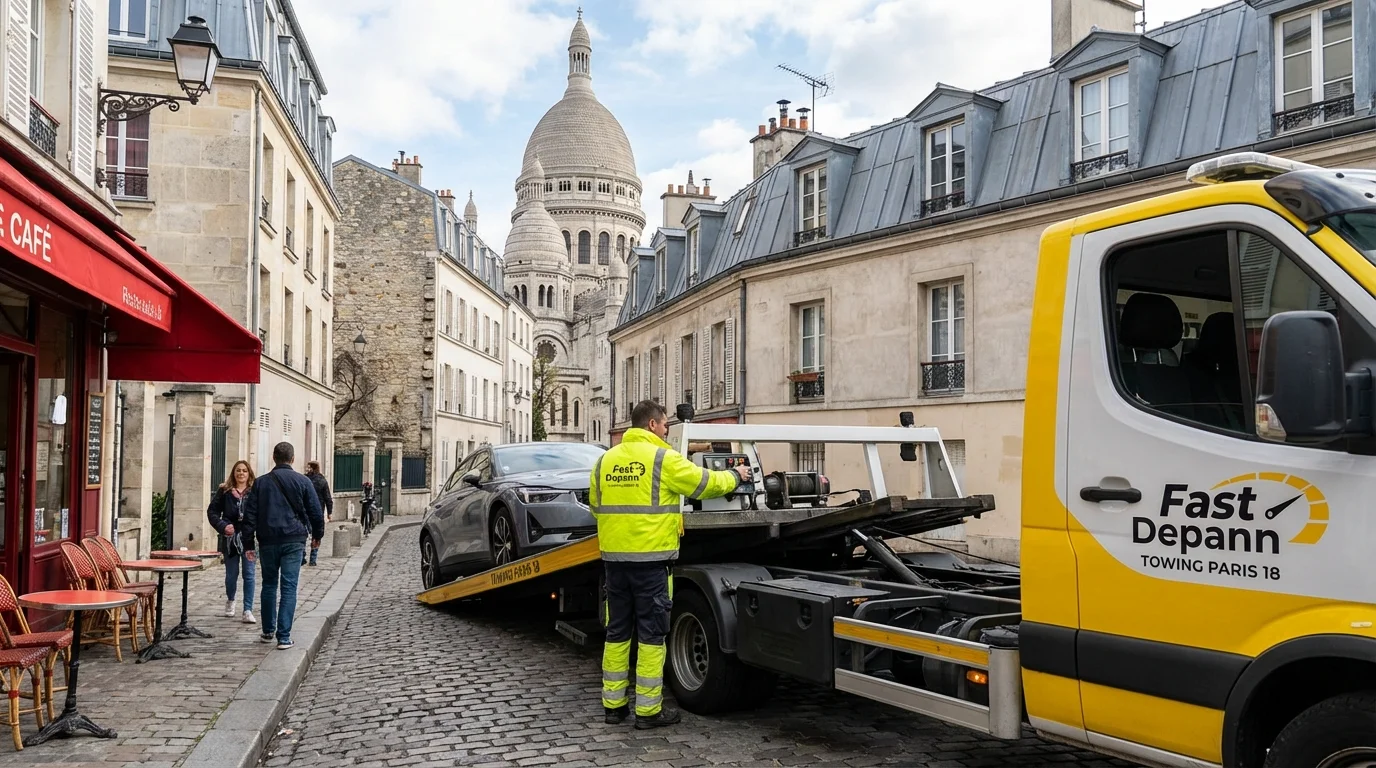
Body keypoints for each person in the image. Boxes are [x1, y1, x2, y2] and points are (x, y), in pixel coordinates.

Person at [589, 400, 749, 729]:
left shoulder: (605, 460)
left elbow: (595, 505)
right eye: (664, 425)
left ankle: (613, 707)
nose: (666, 431)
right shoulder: (663, 458)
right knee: (651, 635)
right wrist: (736, 475)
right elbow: (704, 484)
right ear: (652, 424)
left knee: (617, 633)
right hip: (651, 564)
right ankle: (648, 711)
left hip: (614, 564)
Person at [241, 442, 324, 650]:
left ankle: (268, 630)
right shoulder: (303, 481)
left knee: (269, 584)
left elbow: (250, 515)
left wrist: (248, 543)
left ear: (273, 458)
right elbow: (315, 511)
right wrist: (317, 536)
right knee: (289, 586)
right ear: (292, 459)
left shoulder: (260, 483)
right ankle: (284, 636)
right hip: (294, 539)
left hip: (267, 539)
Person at [206, 460, 256, 624]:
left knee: (249, 574)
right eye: (238, 470)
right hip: (230, 539)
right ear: (234, 473)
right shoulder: (225, 491)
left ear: (249, 473)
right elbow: (212, 512)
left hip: (248, 539)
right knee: (231, 575)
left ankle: (247, 609)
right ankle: (231, 599)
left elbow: (261, 512)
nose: (241, 473)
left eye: (244, 470)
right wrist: (223, 526)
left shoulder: (255, 491)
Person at [303, 460, 334, 566]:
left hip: (306, 511)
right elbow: (328, 498)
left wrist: (329, 511)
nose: (307, 469)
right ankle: (313, 558)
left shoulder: (304, 479)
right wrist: (329, 512)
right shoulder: (322, 480)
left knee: (304, 533)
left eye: (308, 467)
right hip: (317, 511)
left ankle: (303, 555)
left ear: (313, 468)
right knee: (317, 535)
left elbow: (327, 497)